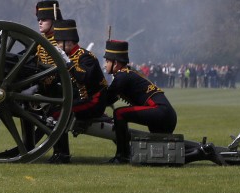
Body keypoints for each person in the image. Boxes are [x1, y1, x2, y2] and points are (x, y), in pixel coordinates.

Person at [99, 39, 221, 165]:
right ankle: (202, 152)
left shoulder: (122, 76)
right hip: (165, 114)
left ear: (116, 63)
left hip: (160, 112)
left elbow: (107, 98)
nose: (105, 65)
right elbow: (111, 98)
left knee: (119, 113)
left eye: (107, 61)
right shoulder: (127, 74)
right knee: (160, 157)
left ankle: (122, 156)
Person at [47, 18, 107, 164]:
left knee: (58, 114)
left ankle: (63, 155)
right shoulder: (68, 56)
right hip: (81, 100)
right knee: (52, 110)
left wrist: (67, 62)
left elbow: (82, 78)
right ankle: (59, 153)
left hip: (94, 102)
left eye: (60, 43)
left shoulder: (86, 57)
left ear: (69, 42)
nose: (59, 47)